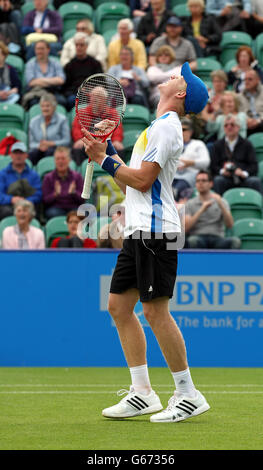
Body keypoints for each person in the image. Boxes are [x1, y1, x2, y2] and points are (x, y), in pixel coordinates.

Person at [80, 62, 211, 423]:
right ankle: (142, 393)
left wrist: (103, 160)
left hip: (157, 232)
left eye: (178, 76)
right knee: (119, 306)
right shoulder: (155, 129)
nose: (171, 75)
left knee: (155, 311)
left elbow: (141, 181)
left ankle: (188, 393)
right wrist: (106, 152)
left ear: (181, 93)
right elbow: (131, 182)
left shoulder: (168, 128)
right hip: (138, 231)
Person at [184, 170, 241, 249]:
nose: (200, 183)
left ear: (211, 184)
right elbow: (186, 228)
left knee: (235, 241)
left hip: (218, 238)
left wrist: (220, 204)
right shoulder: (190, 203)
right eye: (198, 181)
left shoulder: (221, 201)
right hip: (198, 237)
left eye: (204, 180)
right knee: (192, 241)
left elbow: (230, 225)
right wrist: (201, 210)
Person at [210, 113, 262, 195]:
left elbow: (254, 165)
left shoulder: (247, 144)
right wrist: (222, 171)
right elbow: (213, 166)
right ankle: (219, 206)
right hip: (225, 178)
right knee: (218, 180)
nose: (229, 127)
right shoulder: (217, 145)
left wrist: (243, 173)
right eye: (226, 125)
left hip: (243, 178)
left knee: (255, 181)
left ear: (238, 127)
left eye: (232, 125)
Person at [71, 86, 124, 165]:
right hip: (87, 144)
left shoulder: (113, 113)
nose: (95, 99)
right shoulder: (82, 113)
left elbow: (117, 129)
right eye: (93, 96)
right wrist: (80, 139)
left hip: (105, 144)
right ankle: (80, 173)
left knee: (119, 149)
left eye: (98, 96)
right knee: (77, 149)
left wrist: (116, 140)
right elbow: (76, 129)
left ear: (105, 99)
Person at [0, 141, 42, 221]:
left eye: (21, 153)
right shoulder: (2, 174)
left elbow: (38, 194)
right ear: (11, 155)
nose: (18, 156)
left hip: (28, 205)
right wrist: (11, 199)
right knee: (5, 212)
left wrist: (26, 201)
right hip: (9, 206)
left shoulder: (34, 175)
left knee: (33, 210)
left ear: (26, 155)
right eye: (16, 153)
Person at [172, 117, 210, 201]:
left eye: (184, 129)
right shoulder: (172, 145)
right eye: (179, 129)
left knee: (179, 187)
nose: (181, 132)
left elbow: (206, 162)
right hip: (173, 174)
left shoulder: (198, 144)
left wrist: (190, 163)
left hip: (191, 174)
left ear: (190, 132)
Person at [63, 32, 103, 110]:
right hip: (75, 94)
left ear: (87, 46)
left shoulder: (95, 64)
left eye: (81, 45)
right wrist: (78, 90)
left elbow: (102, 83)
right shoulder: (69, 66)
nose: (79, 47)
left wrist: (91, 90)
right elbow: (66, 88)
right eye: (77, 45)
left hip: (93, 94)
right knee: (71, 100)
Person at [42, 146, 84, 220]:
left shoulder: (77, 176)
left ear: (69, 160)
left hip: (73, 207)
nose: (60, 161)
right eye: (58, 159)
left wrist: (74, 192)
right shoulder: (48, 177)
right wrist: (55, 194)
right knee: (52, 213)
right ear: (54, 161)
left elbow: (82, 199)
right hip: (56, 208)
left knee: (82, 212)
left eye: (63, 158)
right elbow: (45, 200)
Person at [28, 93, 71, 165]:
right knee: (32, 154)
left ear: (54, 107)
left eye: (48, 106)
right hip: (39, 150)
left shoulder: (62, 120)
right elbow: (31, 144)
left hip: (57, 149)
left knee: (50, 152)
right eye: (42, 106)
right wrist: (40, 146)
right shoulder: (34, 121)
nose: (45, 109)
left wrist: (51, 143)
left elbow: (66, 141)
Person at [22, 39, 66, 109]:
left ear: (48, 50)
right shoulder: (30, 64)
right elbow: (31, 82)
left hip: (53, 92)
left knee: (62, 101)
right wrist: (52, 81)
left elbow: (61, 80)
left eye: (42, 49)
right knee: (33, 103)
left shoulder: (56, 63)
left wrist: (39, 80)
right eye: (37, 49)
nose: (39, 51)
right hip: (36, 92)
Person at [147, 45, 182, 110]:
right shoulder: (152, 68)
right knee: (161, 100)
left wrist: (160, 77)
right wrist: (170, 76)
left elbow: (180, 79)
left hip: (174, 94)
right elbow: (152, 78)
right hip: (158, 95)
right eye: (160, 55)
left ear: (171, 56)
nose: (163, 57)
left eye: (166, 55)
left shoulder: (178, 68)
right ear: (157, 57)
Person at [238, 69, 263, 135]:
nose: (246, 82)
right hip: (246, 124)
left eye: (250, 79)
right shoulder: (239, 96)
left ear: (258, 80)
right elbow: (239, 112)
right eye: (245, 80)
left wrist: (258, 120)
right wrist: (247, 120)